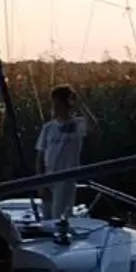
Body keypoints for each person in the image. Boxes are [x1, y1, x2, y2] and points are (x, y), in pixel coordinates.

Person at [34, 85, 93, 222]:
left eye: (58, 103)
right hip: (48, 177)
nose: (55, 107)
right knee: (46, 219)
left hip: (66, 179)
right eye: (53, 103)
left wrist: (80, 104)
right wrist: (40, 184)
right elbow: (39, 157)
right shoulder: (48, 127)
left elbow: (93, 128)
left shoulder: (77, 125)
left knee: (59, 218)